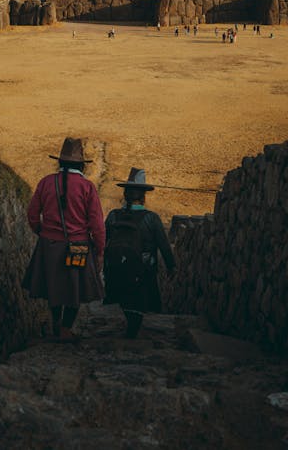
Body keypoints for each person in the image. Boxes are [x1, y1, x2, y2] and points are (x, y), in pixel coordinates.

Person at [23, 137, 105, 342]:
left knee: (54, 285)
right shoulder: (87, 188)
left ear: (60, 162)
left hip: (49, 244)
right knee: (74, 289)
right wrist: (100, 249)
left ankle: (56, 322)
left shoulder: (46, 183)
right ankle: (66, 328)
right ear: (81, 165)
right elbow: (96, 223)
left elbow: (33, 214)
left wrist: (43, 231)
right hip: (79, 246)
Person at [103, 168, 175, 339]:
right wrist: (171, 266)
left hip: (116, 269)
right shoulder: (152, 218)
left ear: (125, 194)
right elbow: (164, 246)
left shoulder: (114, 216)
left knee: (124, 297)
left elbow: (104, 240)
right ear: (143, 196)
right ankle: (133, 330)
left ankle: (130, 328)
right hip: (143, 270)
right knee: (139, 299)